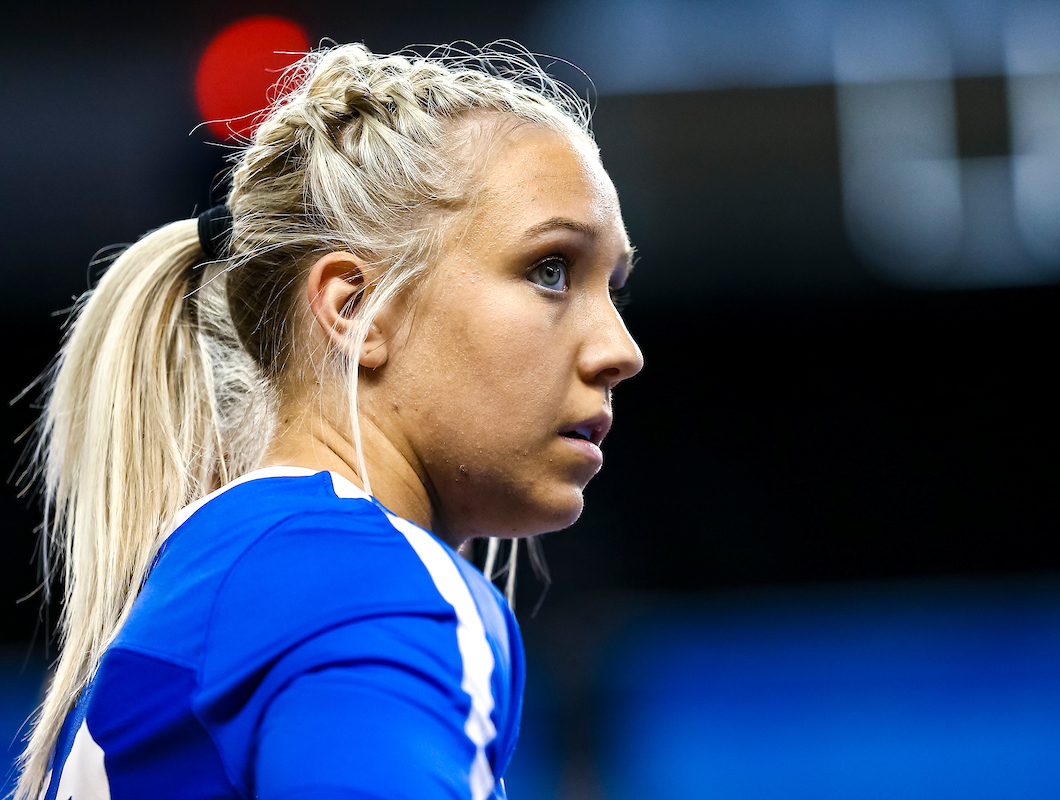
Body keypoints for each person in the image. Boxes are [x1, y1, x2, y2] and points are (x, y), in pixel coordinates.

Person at [16, 41, 643, 800]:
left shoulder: (231, 571)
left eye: (613, 287)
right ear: (355, 309)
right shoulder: (368, 584)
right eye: (551, 270)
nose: (621, 350)